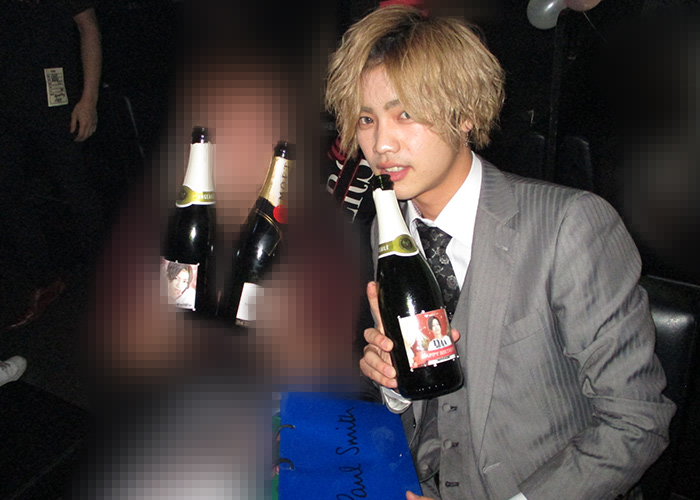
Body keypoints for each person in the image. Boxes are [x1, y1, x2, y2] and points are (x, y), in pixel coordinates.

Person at [325, 5, 676, 500]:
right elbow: (422, 418)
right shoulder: (387, 231)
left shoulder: (569, 226)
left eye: (405, 113)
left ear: (465, 113)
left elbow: (638, 421)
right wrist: (396, 387)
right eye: (367, 118)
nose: (381, 143)